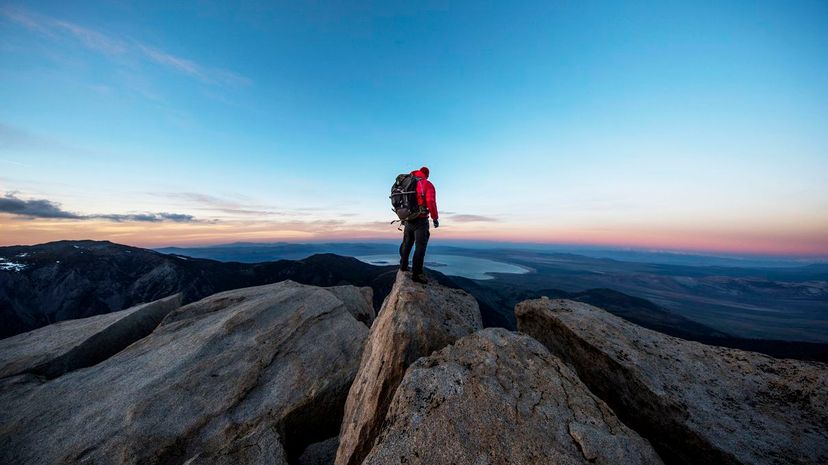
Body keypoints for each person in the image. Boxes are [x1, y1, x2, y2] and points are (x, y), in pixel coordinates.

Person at [399, 166, 439, 284]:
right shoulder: (427, 184)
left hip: (408, 219)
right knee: (420, 247)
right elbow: (431, 202)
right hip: (421, 220)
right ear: (427, 174)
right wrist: (435, 218)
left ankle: (403, 265)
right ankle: (417, 274)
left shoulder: (407, 183)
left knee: (407, 243)